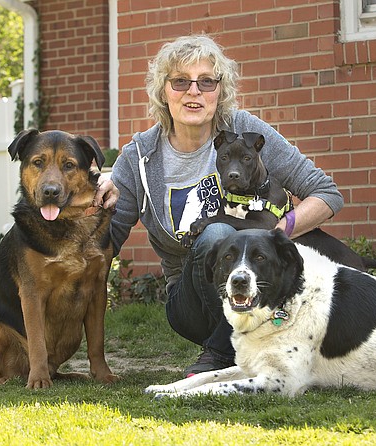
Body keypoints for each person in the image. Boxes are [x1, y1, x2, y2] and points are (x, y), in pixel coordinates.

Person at [95, 34, 344, 376]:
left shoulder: (246, 133)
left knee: (227, 233)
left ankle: (222, 354)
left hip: (260, 293)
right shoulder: (140, 157)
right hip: (192, 301)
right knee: (218, 233)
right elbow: (107, 240)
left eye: (206, 82)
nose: (193, 91)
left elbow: (326, 194)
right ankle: (233, 350)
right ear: (163, 91)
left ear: (219, 91)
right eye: (181, 81)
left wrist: (275, 232)